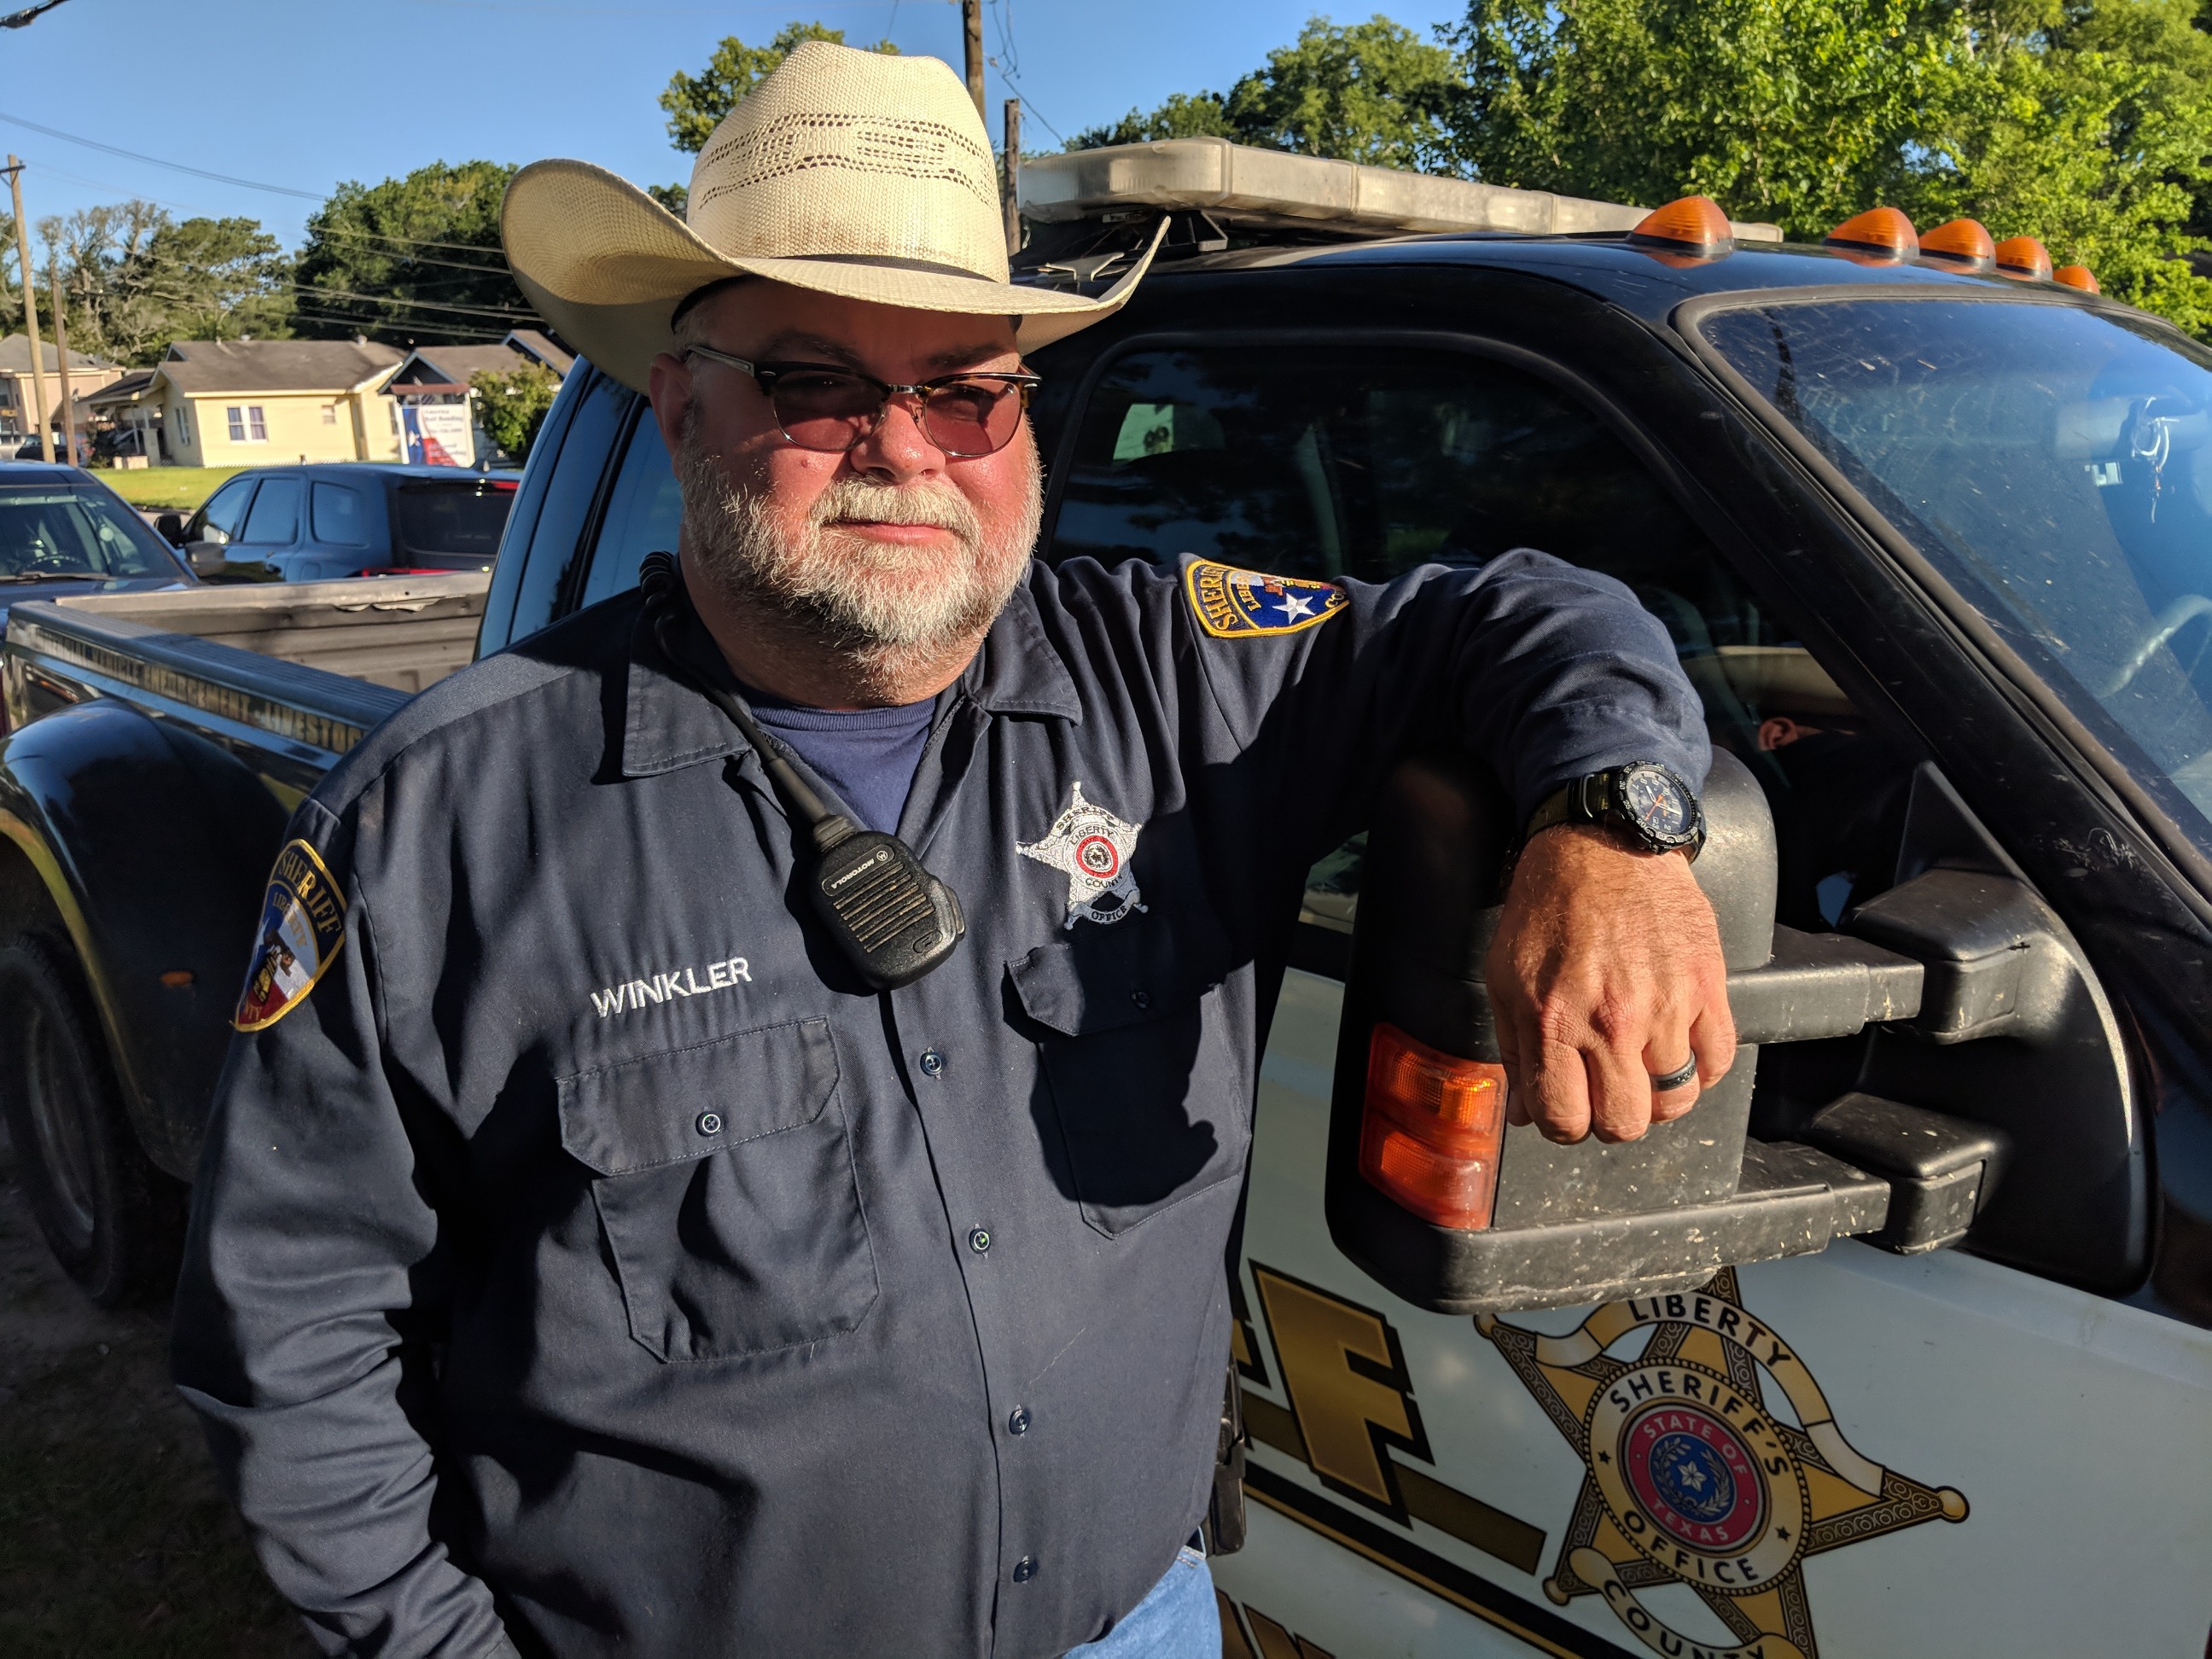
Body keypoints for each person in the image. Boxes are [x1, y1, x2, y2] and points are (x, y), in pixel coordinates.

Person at [174, 42, 1734, 1659]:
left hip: (1146, 1623)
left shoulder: (1182, 680)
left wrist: (1611, 825)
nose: (904, 448)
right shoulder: (444, 823)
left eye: (966, 389)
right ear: (682, 404)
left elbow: (1529, 609)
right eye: (817, 383)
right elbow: (293, 1342)